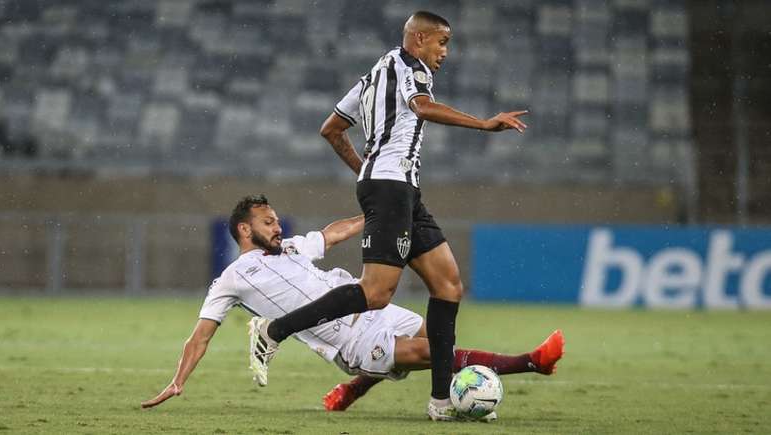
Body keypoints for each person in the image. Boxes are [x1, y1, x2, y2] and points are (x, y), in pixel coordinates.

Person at [248, 11, 530, 421]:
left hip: (398, 187)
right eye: (441, 42)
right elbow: (423, 107)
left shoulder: (373, 76)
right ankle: (273, 330)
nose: (444, 52)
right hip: (392, 187)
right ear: (418, 39)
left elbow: (331, 128)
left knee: (449, 286)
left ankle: (440, 402)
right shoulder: (410, 68)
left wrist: (366, 169)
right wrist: (484, 125)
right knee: (376, 292)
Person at [141, 195, 564, 421]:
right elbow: (201, 334)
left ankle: (351, 391)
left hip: (372, 310)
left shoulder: (290, 247)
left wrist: (375, 214)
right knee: (435, 355)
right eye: (268, 222)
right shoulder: (231, 278)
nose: (278, 227)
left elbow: (331, 234)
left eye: (276, 220)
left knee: (437, 334)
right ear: (244, 229)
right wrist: (178, 380)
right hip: (352, 340)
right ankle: (533, 362)